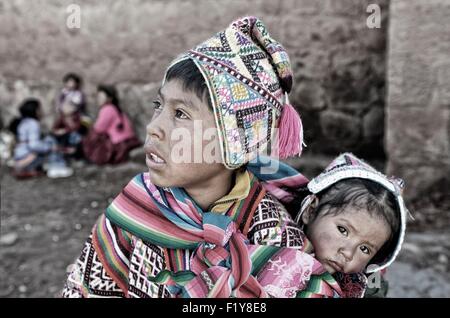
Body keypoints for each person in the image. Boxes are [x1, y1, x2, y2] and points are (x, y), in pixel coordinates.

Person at [62, 16, 369, 298]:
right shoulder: (135, 208)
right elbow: (85, 287)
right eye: (159, 105)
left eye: (180, 113)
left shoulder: (274, 235)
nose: (154, 127)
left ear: (234, 144)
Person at [288, 152, 410, 297]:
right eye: (343, 230)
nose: (348, 254)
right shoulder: (274, 236)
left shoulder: (364, 287)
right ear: (310, 210)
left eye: (364, 249)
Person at [9, 98, 73, 179]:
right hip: (27, 157)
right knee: (50, 141)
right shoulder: (33, 124)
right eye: (40, 109)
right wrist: (50, 148)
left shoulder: (23, 122)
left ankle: (31, 168)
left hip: (19, 155)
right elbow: (34, 145)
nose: (42, 111)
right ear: (35, 111)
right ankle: (56, 166)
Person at [81, 84, 141, 165]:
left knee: (91, 138)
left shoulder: (107, 109)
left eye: (101, 97)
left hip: (119, 143)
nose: (98, 99)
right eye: (98, 97)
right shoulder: (114, 108)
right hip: (128, 140)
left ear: (110, 98)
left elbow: (99, 128)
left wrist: (90, 125)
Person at [52, 73, 90, 159]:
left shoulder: (79, 94)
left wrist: (66, 129)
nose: (70, 84)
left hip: (78, 119)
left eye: (72, 82)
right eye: (68, 82)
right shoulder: (63, 93)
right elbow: (55, 127)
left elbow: (77, 125)